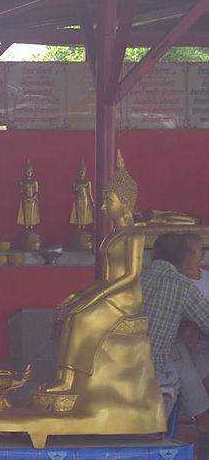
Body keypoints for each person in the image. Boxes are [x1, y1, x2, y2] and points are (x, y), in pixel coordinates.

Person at [46, 158, 143, 392]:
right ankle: (64, 377)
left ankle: (69, 380)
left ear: (125, 203)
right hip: (108, 294)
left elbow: (131, 275)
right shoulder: (111, 236)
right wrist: (78, 295)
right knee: (72, 315)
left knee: (81, 318)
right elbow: (104, 278)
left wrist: (96, 298)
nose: (102, 207)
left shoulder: (134, 235)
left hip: (125, 299)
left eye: (108, 201)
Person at [141, 232, 209, 431]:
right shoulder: (182, 286)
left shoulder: (136, 279)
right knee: (182, 356)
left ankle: (203, 419)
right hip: (155, 371)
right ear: (182, 257)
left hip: (126, 363)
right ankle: (203, 421)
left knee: (180, 352)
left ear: (153, 253)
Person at [69, 159, 94, 228]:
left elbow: (90, 193)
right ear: (78, 172)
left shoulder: (88, 182)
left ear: (85, 172)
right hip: (78, 199)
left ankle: (84, 226)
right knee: (78, 213)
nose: (82, 173)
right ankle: (79, 226)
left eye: (83, 172)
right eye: (80, 171)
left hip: (85, 199)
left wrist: (92, 201)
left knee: (84, 213)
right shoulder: (75, 182)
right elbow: (73, 191)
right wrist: (77, 188)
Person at [17, 159, 40, 229]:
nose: (28, 173)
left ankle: (31, 225)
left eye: (30, 172)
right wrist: (26, 197)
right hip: (25, 199)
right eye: (27, 172)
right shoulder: (22, 182)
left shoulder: (34, 181)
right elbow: (21, 192)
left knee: (31, 213)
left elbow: (36, 191)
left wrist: (33, 197)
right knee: (25, 213)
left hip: (32, 199)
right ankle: (26, 226)